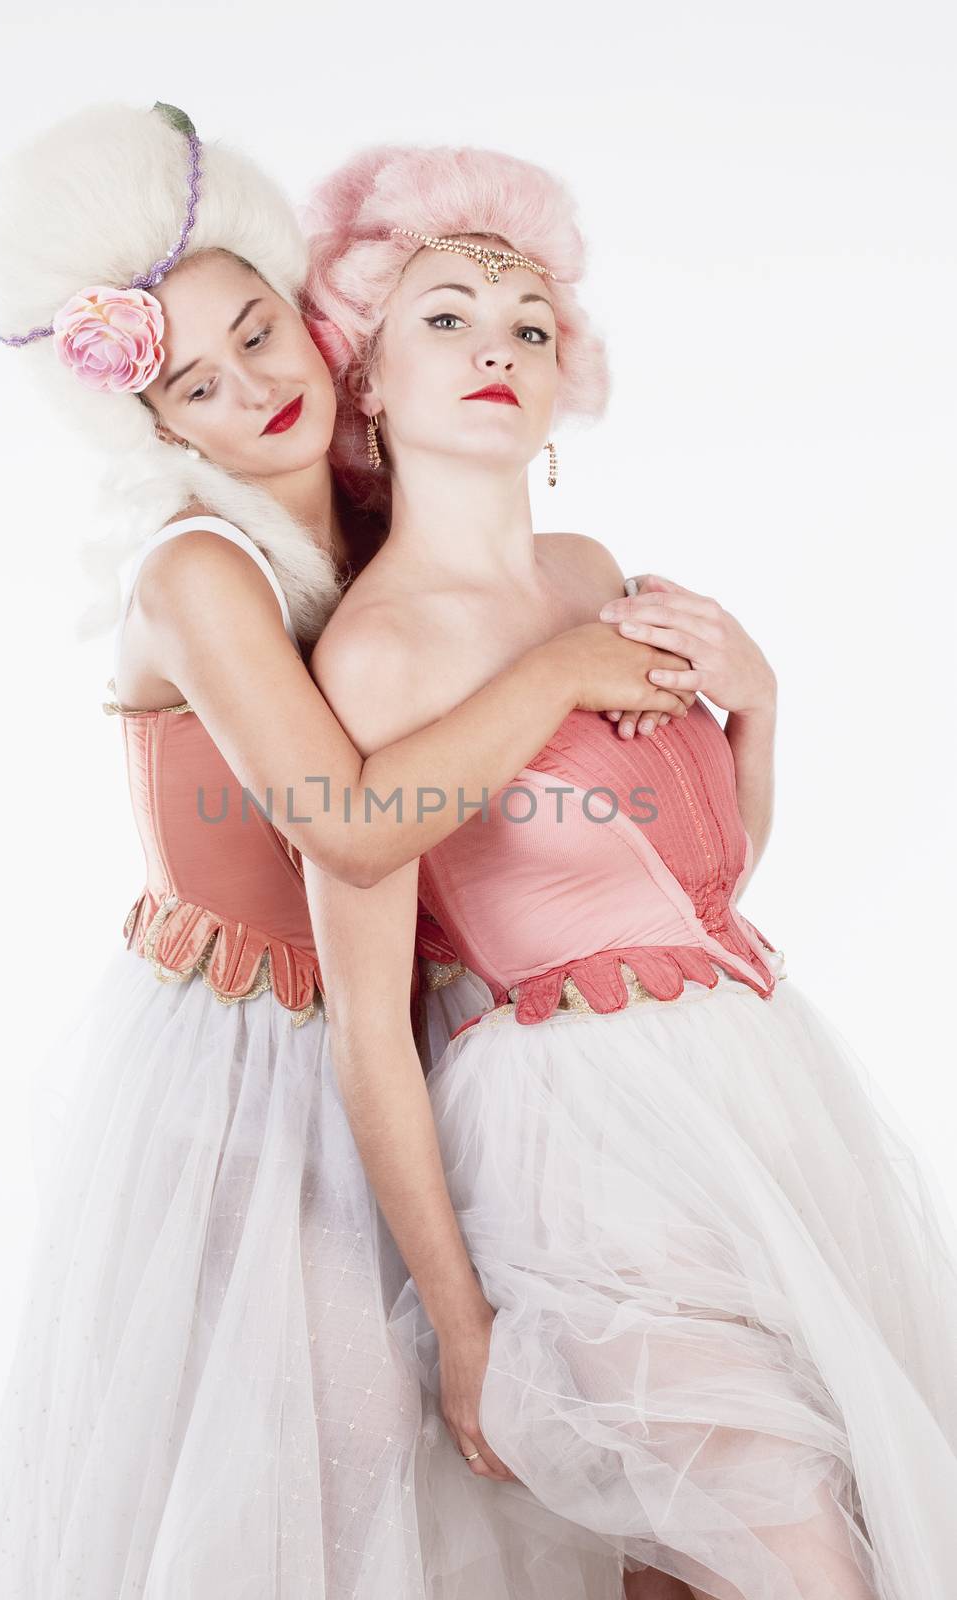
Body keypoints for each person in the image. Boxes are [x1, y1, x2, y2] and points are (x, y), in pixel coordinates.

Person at [0, 105, 695, 1599]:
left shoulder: (382, 521)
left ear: (311, 310)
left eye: (260, 331)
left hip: (423, 1024)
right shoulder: (197, 570)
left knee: (565, 1439)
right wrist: (552, 679)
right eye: (198, 384)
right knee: (340, 1461)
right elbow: (344, 821)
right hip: (257, 1060)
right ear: (158, 422)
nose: (255, 388)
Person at [301, 143, 957, 1600]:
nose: (498, 349)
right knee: (804, 1566)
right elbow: (365, 1027)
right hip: (581, 1164)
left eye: (529, 327)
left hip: (752, 1116)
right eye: (448, 318)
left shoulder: (595, 575)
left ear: (558, 394)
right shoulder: (376, 651)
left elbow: (688, 896)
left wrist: (761, 709)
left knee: (710, 1564)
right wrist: (465, 1329)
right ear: (368, 380)